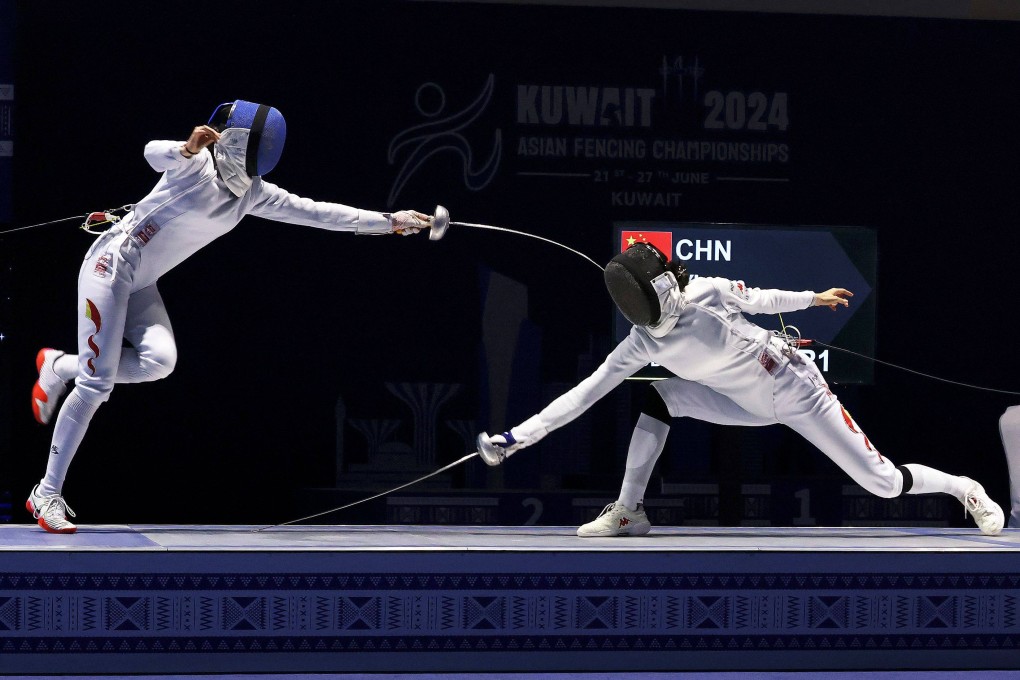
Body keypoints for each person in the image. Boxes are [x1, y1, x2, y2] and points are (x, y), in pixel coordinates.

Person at [27, 99, 435, 534]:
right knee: (97, 384)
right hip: (109, 268)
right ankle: (46, 493)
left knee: (159, 363)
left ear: (238, 143)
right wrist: (186, 149)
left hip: (141, 282)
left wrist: (390, 221)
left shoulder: (252, 195)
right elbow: (151, 151)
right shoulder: (194, 165)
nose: (216, 130)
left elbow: (320, 213)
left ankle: (60, 365)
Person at [478, 241, 1005, 537]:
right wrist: (516, 437)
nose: (675, 279)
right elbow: (583, 394)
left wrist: (812, 298)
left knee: (884, 484)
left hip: (800, 392)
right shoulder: (641, 345)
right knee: (660, 398)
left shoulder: (706, 291)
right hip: (742, 403)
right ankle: (629, 509)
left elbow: (760, 298)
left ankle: (965, 488)